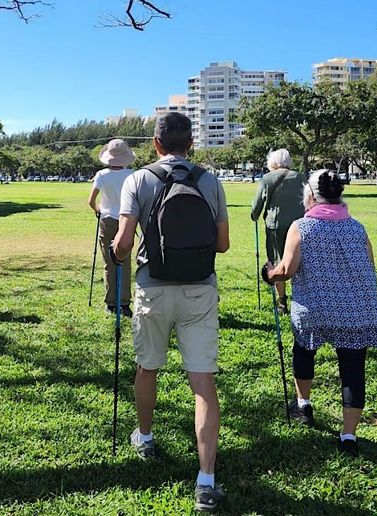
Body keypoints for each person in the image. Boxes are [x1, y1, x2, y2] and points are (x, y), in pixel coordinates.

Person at [112, 112, 230, 513]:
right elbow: (223, 244)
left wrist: (115, 249)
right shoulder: (210, 180)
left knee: (148, 367)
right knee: (203, 382)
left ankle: (144, 437)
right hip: (200, 288)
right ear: (191, 143)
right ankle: (206, 480)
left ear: (156, 143)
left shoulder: (138, 179)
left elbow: (124, 245)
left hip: (153, 288)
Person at [264, 170, 377, 456]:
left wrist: (269, 274)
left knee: (304, 351)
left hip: (314, 309)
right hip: (357, 310)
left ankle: (303, 405)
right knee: (353, 371)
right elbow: (370, 265)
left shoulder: (301, 227)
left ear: (310, 196)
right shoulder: (357, 227)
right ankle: (349, 437)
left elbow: (286, 271)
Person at [249, 148, 306, 311]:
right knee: (299, 261)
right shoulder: (300, 177)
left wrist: (254, 215)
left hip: (275, 226)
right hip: (298, 226)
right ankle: (300, 298)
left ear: (273, 162)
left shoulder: (267, 178)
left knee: (277, 261)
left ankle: (282, 302)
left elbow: (257, 205)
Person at [88, 139, 136, 315]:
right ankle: (124, 303)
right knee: (125, 262)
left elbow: (91, 201)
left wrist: (98, 209)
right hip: (127, 221)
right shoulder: (132, 174)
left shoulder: (101, 175)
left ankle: (110, 303)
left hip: (107, 220)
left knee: (109, 263)